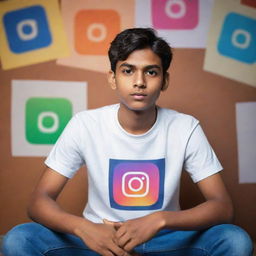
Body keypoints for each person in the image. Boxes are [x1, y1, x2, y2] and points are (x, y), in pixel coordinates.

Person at [2, 28, 253, 256]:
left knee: (234, 240)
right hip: (99, 241)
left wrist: (159, 220)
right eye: (128, 70)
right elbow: (39, 201)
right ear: (113, 78)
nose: (139, 82)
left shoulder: (184, 127)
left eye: (151, 72)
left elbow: (222, 207)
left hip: (165, 240)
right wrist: (84, 228)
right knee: (19, 239)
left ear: (164, 80)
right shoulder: (86, 124)